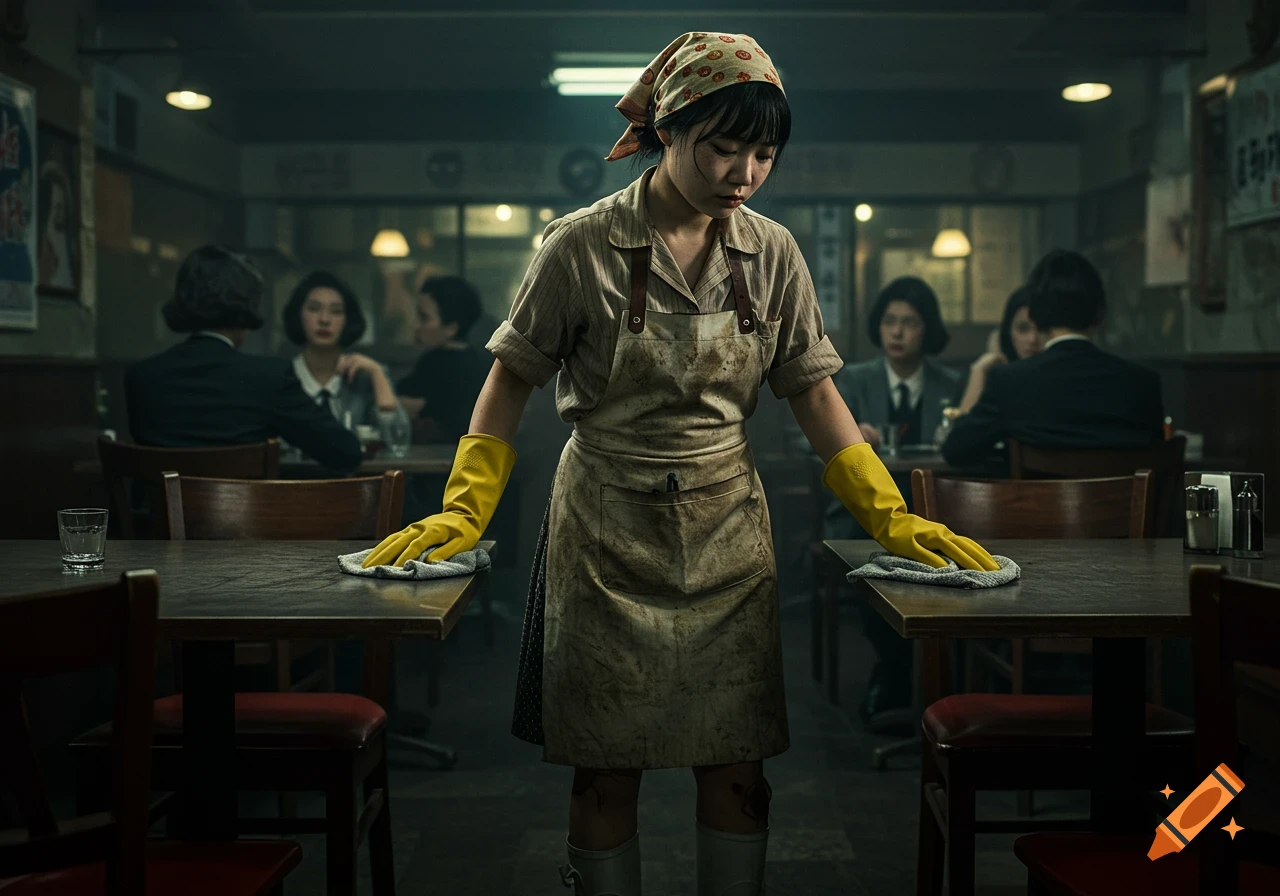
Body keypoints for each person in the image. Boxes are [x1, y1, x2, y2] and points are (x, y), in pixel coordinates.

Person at [362, 32, 995, 896]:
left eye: (763, 153)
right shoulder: (579, 245)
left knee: (737, 766)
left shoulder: (771, 252)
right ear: (668, 132)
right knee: (604, 768)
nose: (743, 173)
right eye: (723, 147)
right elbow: (508, 382)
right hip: (601, 530)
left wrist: (892, 514)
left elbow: (813, 393)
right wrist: (465, 509)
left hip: (728, 529)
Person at [125, 245, 362, 473]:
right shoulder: (269, 378)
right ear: (246, 310)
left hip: (160, 514)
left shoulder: (141, 378)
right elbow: (345, 453)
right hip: (243, 514)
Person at [942, 249, 1164, 470]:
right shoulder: (1143, 383)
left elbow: (957, 451)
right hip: (1121, 506)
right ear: (1100, 315)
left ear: (1035, 319)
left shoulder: (1011, 381)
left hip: (1034, 506)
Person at [833, 276, 960, 450]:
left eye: (909, 323)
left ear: (927, 328)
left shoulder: (950, 383)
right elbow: (811, 440)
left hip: (931, 476)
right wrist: (850, 436)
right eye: (889, 321)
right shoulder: (855, 380)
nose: (897, 332)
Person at [281, 270, 410, 440]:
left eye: (336, 311)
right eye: (314, 309)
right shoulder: (282, 379)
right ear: (298, 314)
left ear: (348, 320)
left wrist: (377, 373)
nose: (324, 319)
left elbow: (398, 443)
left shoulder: (363, 379)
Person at [396, 276, 490, 443]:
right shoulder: (472, 359)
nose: (415, 325)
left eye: (424, 318)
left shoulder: (447, 365)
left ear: (451, 328)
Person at [955, 285, 1042, 414]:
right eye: (1023, 329)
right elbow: (962, 430)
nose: (1033, 339)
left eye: (1042, 329)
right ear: (1008, 332)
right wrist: (979, 371)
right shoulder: (991, 377)